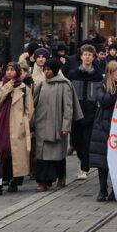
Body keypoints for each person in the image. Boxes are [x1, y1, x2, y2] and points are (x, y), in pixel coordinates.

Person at [33, 58, 80, 191]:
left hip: (57, 126)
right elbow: (33, 104)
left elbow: (68, 107)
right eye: (45, 69)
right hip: (41, 125)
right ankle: (42, 181)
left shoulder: (64, 85)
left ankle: (61, 176)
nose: (46, 72)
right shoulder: (42, 84)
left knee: (57, 155)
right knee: (41, 155)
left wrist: (66, 126)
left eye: (49, 70)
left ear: (55, 70)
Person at [0, 62, 34, 195]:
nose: (9, 72)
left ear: (18, 72)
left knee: (15, 154)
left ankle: (15, 181)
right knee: (0, 152)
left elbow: (29, 109)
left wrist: (24, 121)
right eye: (7, 70)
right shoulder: (0, 85)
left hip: (17, 125)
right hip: (1, 124)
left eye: (12, 70)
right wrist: (7, 86)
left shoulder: (24, 88)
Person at [65, 44, 105, 180]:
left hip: (91, 114)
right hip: (75, 113)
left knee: (87, 142)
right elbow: (68, 94)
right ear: (81, 56)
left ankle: (84, 168)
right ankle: (82, 161)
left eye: (90, 55)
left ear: (93, 57)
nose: (88, 57)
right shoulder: (73, 74)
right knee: (76, 142)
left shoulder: (98, 75)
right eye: (85, 54)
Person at [89, 61, 117, 202]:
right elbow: (104, 101)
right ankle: (102, 189)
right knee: (102, 160)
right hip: (103, 126)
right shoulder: (101, 85)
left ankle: (115, 190)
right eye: (116, 75)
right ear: (110, 74)